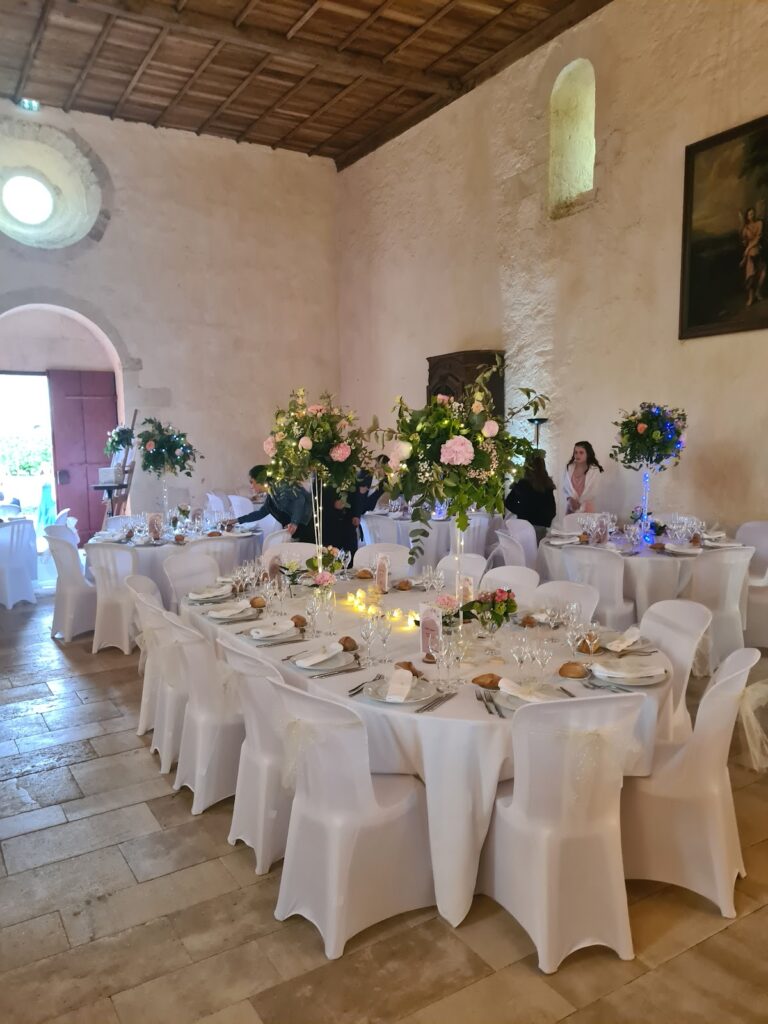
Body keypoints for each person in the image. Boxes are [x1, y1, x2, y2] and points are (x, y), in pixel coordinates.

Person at [231, 465, 314, 542]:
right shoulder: (272, 494)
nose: (251, 486)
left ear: (260, 478)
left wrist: (294, 523)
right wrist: (236, 520)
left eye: (252, 482)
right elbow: (260, 513)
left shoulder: (280, 485)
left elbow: (300, 499)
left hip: (308, 527)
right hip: (301, 530)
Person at [505, 453, 556, 540]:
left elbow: (508, 502)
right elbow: (552, 510)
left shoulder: (522, 483)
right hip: (540, 526)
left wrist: (521, 511)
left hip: (523, 525)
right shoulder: (546, 484)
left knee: (523, 551)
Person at [562, 441, 603, 514]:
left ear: (588, 454)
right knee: (569, 525)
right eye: (576, 452)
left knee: (585, 525)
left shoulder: (594, 470)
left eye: (581, 452)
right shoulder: (569, 467)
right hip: (571, 508)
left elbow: (594, 491)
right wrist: (569, 499)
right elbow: (565, 488)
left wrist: (579, 503)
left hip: (587, 508)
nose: (577, 455)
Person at [322, 486, 358, 555]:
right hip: (329, 521)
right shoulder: (322, 477)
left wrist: (356, 515)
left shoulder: (353, 477)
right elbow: (317, 494)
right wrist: (333, 503)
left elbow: (356, 497)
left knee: (351, 554)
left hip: (348, 521)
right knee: (330, 554)